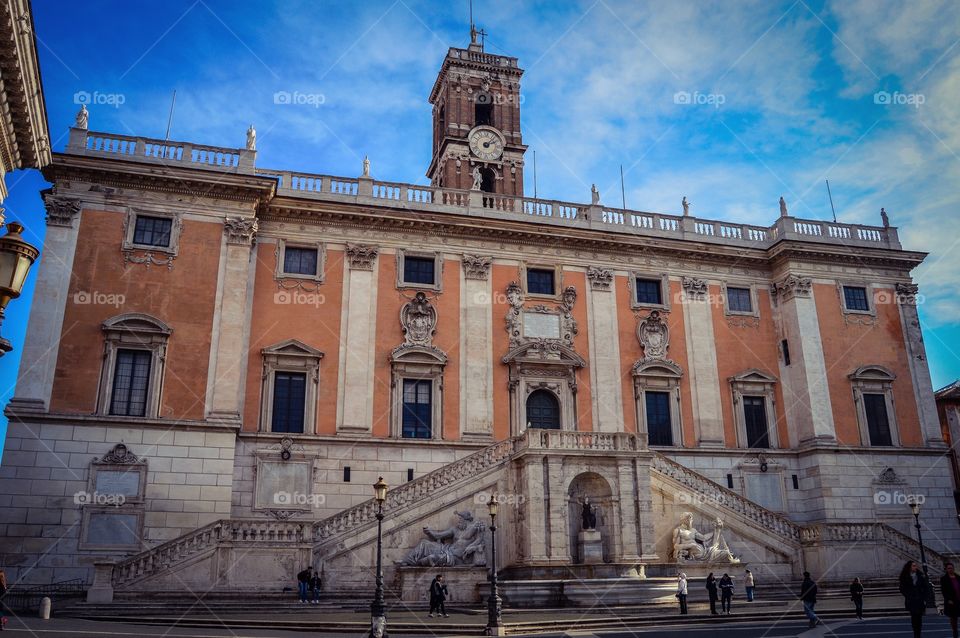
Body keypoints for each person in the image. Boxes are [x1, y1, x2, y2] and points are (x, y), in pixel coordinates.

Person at [900, 560, 931, 638]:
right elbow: (902, 588)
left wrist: (924, 598)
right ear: (909, 567)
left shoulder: (920, 576)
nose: (915, 567)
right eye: (913, 566)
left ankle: (918, 634)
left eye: (915, 565)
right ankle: (916, 634)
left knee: (919, 619)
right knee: (914, 618)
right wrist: (908, 595)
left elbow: (926, 588)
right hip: (911, 600)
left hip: (920, 600)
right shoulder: (905, 576)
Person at [942, 562, 960, 638]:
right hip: (952, 602)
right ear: (946, 569)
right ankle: (955, 635)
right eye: (949, 568)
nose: (951, 569)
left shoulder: (958, 577)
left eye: (952, 568)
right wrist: (948, 599)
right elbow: (944, 591)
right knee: (954, 621)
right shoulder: (944, 579)